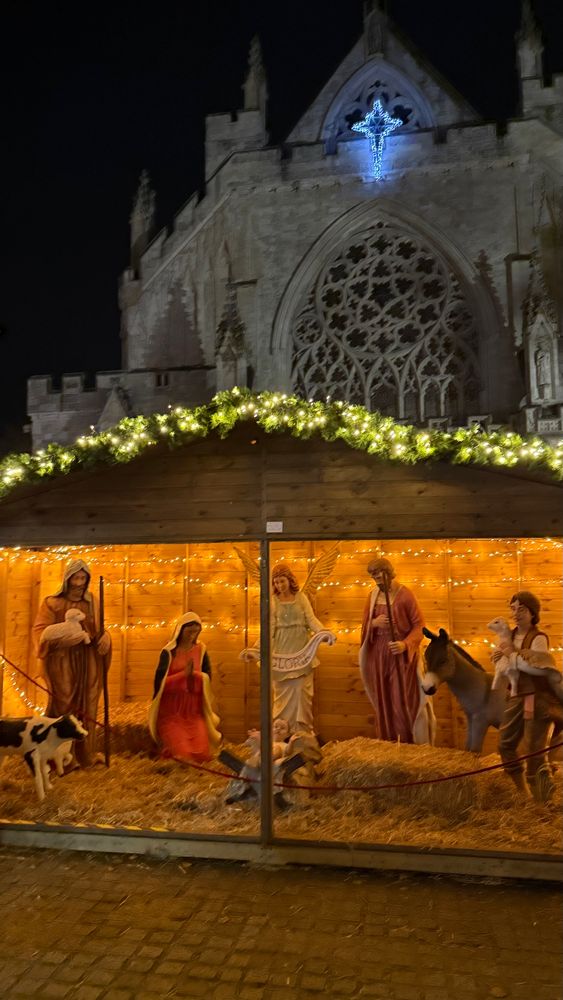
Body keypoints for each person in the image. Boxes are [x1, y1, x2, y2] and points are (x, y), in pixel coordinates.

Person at [33, 559, 111, 767]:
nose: (79, 583)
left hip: (87, 662)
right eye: (75, 578)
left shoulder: (92, 602)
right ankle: (58, 759)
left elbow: (98, 628)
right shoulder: (52, 603)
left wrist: (106, 636)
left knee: (88, 705)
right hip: (62, 663)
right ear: (67, 580)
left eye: (83, 578)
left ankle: (85, 755)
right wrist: (62, 642)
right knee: (63, 705)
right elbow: (40, 632)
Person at [359, 557, 434, 744]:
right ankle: (388, 743)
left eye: (378, 576)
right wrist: (374, 623)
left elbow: (420, 626)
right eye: (373, 577)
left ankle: (406, 744)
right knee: (383, 701)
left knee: (400, 701)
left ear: (388, 573)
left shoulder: (405, 595)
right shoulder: (372, 596)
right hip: (379, 655)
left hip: (400, 658)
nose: (376, 581)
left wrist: (405, 644)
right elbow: (365, 625)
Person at [495, 591, 562, 803]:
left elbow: (536, 668)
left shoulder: (538, 638)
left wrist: (510, 655)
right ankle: (523, 792)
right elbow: (504, 665)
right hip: (516, 695)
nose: (516, 613)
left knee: (535, 752)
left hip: (538, 698)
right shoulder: (509, 635)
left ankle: (544, 800)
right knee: (505, 744)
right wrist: (499, 659)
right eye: (513, 609)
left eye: (521, 609)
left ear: (533, 613)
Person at [268, 562, 332, 735]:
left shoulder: (301, 598)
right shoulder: (273, 602)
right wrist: (259, 648)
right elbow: (270, 628)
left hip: (302, 651)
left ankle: (302, 733)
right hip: (281, 652)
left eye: (282, 581)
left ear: (290, 580)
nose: (279, 585)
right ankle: (281, 733)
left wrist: (323, 632)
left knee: (302, 692)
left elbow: (311, 619)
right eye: (276, 582)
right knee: (281, 694)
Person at [148, 612, 221, 762]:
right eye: (189, 632)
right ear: (180, 630)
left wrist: (196, 676)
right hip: (172, 713)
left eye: (195, 632)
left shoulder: (201, 650)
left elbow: (207, 678)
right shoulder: (169, 652)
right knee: (184, 755)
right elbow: (159, 685)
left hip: (193, 712)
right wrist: (182, 676)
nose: (192, 636)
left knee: (202, 755)